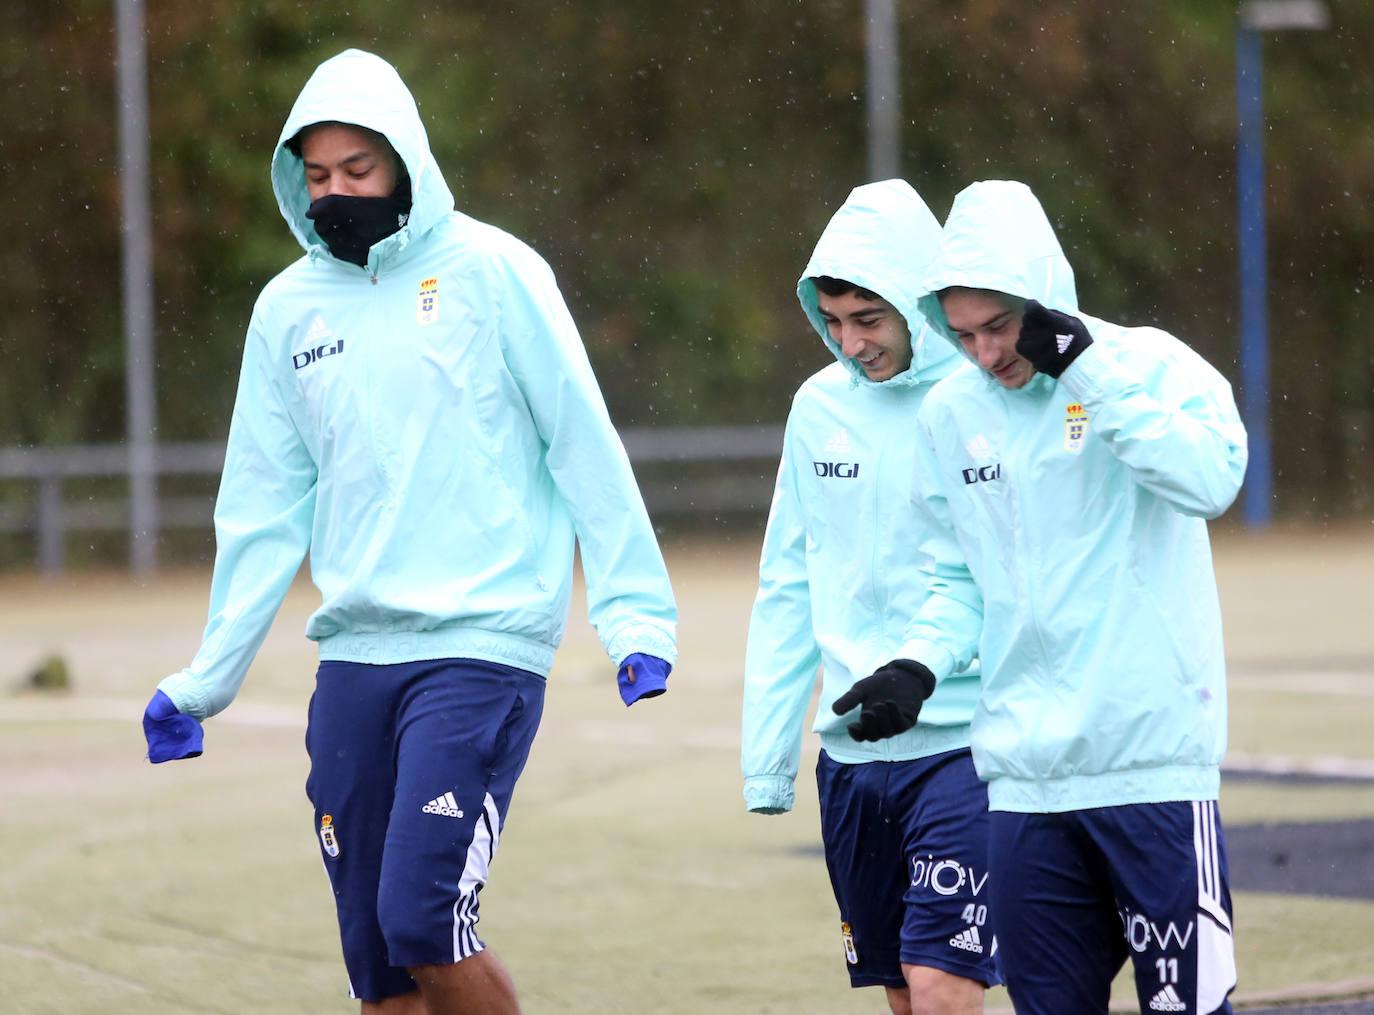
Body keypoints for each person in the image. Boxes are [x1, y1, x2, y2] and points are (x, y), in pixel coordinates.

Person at [140, 49, 677, 1015]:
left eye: (358, 171)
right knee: (382, 975)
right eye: (317, 175)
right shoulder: (285, 311)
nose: (337, 193)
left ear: (405, 164)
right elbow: (262, 508)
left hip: (480, 649)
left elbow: (583, 447)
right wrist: (206, 678)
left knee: (427, 921)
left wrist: (637, 618)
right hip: (354, 659)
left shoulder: (496, 272)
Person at [847, 179, 1246, 1014]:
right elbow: (957, 577)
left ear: (1044, 299)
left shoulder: (1146, 364)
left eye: (999, 326)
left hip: (1152, 770)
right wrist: (916, 666)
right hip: (1024, 786)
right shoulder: (950, 412)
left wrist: (1088, 372)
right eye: (961, 336)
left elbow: (1209, 480)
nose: (986, 354)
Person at [741, 179, 1002, 1015]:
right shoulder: (816, 408)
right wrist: (768, 756)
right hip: (852, 758)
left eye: (870, 319)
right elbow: (787, 580)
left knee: (942, 985)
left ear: (915, 305)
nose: (850, 343)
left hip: (967, 745)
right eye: (835, 321)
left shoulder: (979, 399)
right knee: (900, 990)